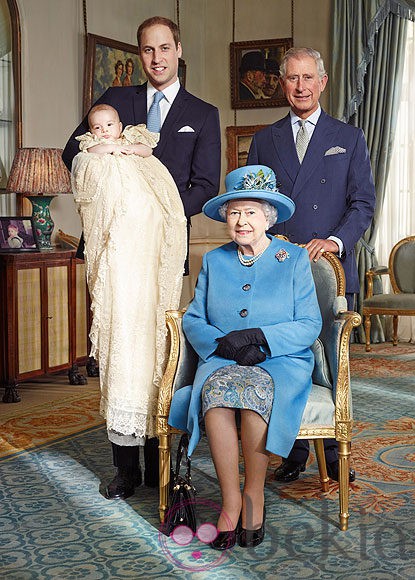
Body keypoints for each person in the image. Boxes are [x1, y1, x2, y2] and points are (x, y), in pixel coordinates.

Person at [62, 16, 221, 501]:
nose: (156, 58)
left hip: (162, 253)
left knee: (160, 355)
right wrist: (108, 158)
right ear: (140, 55)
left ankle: (161, 462)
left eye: (164, 48)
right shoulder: (116, 101)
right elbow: (75, 151)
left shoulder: (203, 112)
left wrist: (159, 212)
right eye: (148, 50)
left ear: (178, 49)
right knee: (119, 353)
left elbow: (205, 187)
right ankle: (124, 468)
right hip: (114, 257)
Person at [169, 164, 322, 549]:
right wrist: (222, 345)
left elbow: (309, 324)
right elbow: (193, 317)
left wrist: (259, 337)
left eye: (251, 212)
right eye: (234, 212)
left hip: (280, 360)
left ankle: (254, 497)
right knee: (217, 397)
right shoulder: (216, 260)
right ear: (226, 217)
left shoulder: (295, 259)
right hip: (223, 358)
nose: (241, 221)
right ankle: (230, 502)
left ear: (267, 217)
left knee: (254, 396)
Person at [247, 47, 376, 484]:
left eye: (308, 78)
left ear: (322, 82)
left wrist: (336, 241)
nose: (300, 86)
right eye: (292, 78)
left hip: (330, 270)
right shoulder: (265, 140)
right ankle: (296, 449)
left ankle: (338, 454)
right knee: (287, 358)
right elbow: (254, 205)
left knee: (333, 364)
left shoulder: (349, 137)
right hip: (280, 269)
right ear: (283, 84)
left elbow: (363, 205)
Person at [71, 102, 187, 500]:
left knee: (159, 366)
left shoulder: (140, 149)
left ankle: (159, 467)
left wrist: (129, 149)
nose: (104, 131)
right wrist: (103, 151)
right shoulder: (91, 158)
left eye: (109, 125)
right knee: (124, 367)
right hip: (120, 281)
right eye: (97, 127)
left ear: (120, 125)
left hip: (155, 276)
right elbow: (89, 198)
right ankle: (126, 470)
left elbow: (169, 200)